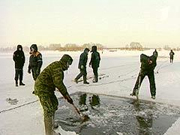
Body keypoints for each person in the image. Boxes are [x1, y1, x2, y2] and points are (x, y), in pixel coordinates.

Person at [33, 54, 74, 135]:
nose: (68, 66)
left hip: (48, 88)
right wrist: (67, 96)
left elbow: (56, 82)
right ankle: (49, 133)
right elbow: (58, 83)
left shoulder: (58, 66)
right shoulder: (57, 68)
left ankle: (52, 123)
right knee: (48, 109)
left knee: (54, 104)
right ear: (65, 62)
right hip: (42, 88)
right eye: (68, 64)